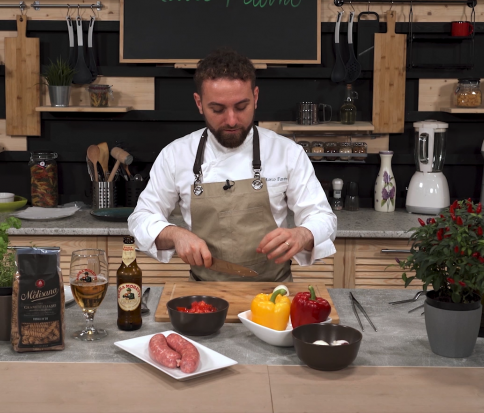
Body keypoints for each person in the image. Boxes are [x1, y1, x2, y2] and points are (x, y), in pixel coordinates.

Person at [128, 48, 337, 282]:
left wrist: (303, 234)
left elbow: (322, 217)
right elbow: (141, 218)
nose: (231, 120)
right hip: (204, 294)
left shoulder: (287, 153)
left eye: (241, 107)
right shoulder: (175, 155)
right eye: (217, 109)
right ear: (199, 103)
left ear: (255, 97)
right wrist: (174, 234)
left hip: (274, 294)